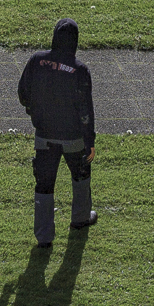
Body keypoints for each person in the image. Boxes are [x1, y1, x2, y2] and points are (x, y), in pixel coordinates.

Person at [17, 18, 98, 249]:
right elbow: (86, 111)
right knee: (81, 176)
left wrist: (33, 112)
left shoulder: (37, 61)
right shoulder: (80, 70)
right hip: (74, 139)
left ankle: (44, 237)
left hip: (44, 136)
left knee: (44, 184)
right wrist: (89, 140)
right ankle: (80, 218)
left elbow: (23, 93)